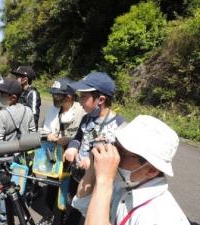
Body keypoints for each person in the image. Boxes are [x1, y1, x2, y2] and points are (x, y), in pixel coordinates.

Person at [73, 115, 190, 225]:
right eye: (116, 147)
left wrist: (104, 180)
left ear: (151, 170)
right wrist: (94, 166)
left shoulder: (159, 217)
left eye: (122, 153)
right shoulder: (123, 186)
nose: (115, 157)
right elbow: (83, 204)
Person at [62, 71, 125, 225]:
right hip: (77, 176)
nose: (79, 100)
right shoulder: (86, 117)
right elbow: (78, 138)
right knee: (72, 208)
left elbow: (118, 161)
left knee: (90, 214)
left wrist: (92, 164)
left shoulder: (119, 126)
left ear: (101, 99)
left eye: (83, 96)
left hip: (97, 183)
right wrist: (72, 147)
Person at [38, 77, 86, 225]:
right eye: (53, 94)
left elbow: (85, 136)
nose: (54, 98)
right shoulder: (53, 110)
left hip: (73, 157)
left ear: (69, 97)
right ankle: (47, 215)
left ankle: (66, 217)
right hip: (55, 154)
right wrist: (48, 135)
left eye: (57, 95)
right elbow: (42, 130)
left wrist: (69, 140)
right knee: (51, 184)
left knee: (70, 188)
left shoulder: (81, 112)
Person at [0, 78, 36, 225]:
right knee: (21, 187)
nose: (0, 97)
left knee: (6, 192)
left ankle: (4, 220)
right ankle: (23, 215)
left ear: (13, 97)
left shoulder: (2, 115)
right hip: (23, 159)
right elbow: (32, 135)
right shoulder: (28, 111)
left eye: (3, 94)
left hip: (6, 160)